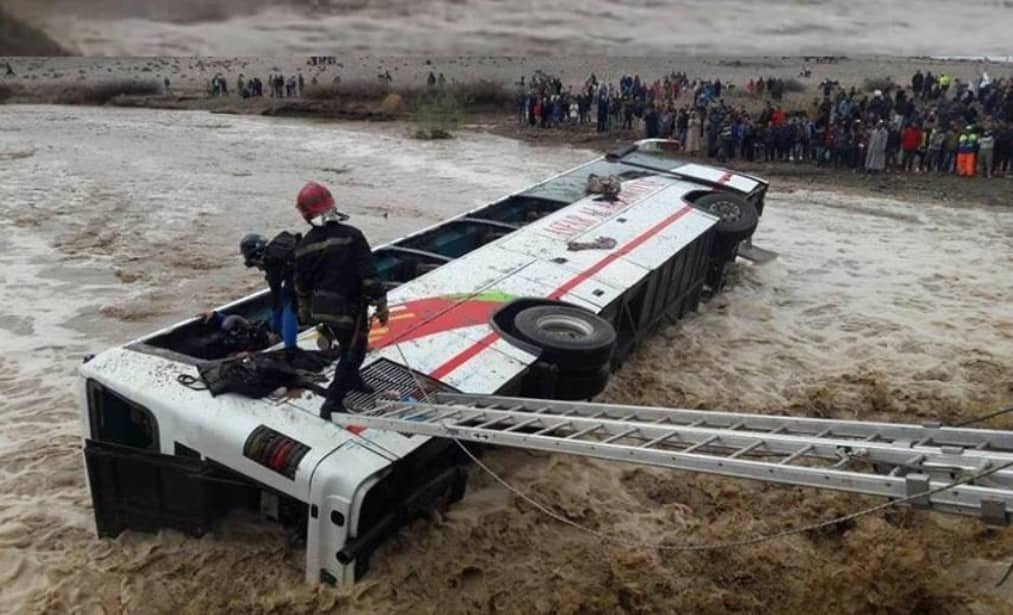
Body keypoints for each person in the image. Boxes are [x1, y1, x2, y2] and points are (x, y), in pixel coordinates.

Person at [293, 182, 389, 418]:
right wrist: (381, 303)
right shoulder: (352, 236)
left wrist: (304, 310)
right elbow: (368, 275)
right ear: (331, 206)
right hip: (348, 308)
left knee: (347, 346)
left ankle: (354, 381)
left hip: (321, 310)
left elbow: (301, 284)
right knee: (354, 353)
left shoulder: (305, 245)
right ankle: (332, 402)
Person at [239, 231, 301, 350]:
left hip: (309, 279)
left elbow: (276, 299)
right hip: (313, 271)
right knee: (288, 297)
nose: (258, 268)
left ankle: (291, 348)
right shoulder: (279, 251)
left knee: (290, 305)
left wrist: (274, 328)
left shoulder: (274, 265)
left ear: (256, 257)